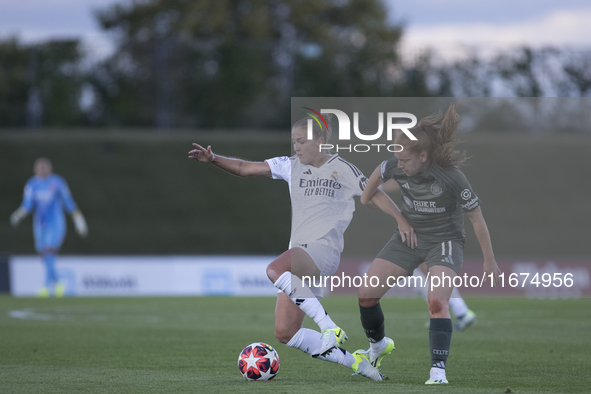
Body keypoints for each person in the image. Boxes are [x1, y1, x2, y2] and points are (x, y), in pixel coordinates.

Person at [188, 117, 400, 381]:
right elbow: (244, 168)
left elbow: (375, 193)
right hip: (301, 255)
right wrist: (213, 159)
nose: (296, 147)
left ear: (320, 142)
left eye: (301, 141)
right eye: (294, 142)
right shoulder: (289, 166)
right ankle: (358, 363)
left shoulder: (342, 168)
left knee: (274, 269)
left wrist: (402, 220)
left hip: (323, 250)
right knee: (286, 332)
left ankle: (329, 327)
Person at [357, 104, 501, 385]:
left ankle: (438, 372)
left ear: (423, 156)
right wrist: (400, 219)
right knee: (366, 294)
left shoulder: (452, 177)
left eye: (405, 160)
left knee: (436, 302)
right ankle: (376, 348)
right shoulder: (392, 166)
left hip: (444, 243)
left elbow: (477, 219)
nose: (399, 164)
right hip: (408, 239)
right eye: (396, 158)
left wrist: (489, 260)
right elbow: (366, 197)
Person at [381, 179, 477, 331]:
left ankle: (458, 311)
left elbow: (400, 180)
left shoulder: (423, 169)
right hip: (431, 223)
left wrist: (377, 187)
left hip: (424, 223)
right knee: (423, 272)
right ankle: (452, 310)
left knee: (425, 271)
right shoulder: (435, 172)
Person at [10, 157, 88, 297]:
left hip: (56, 223)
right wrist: (19, 214)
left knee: (49, 252)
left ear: (50, 167)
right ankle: (58, 283)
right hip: (40, 225)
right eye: (40, 166)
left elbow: (68, 202)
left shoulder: (57, 182)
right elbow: (27, 205)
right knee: (43, 254)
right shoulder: (32, 184)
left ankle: (46, 287)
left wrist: (78, 219)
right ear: (35, 169)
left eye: (45, 166)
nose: (42, 169)